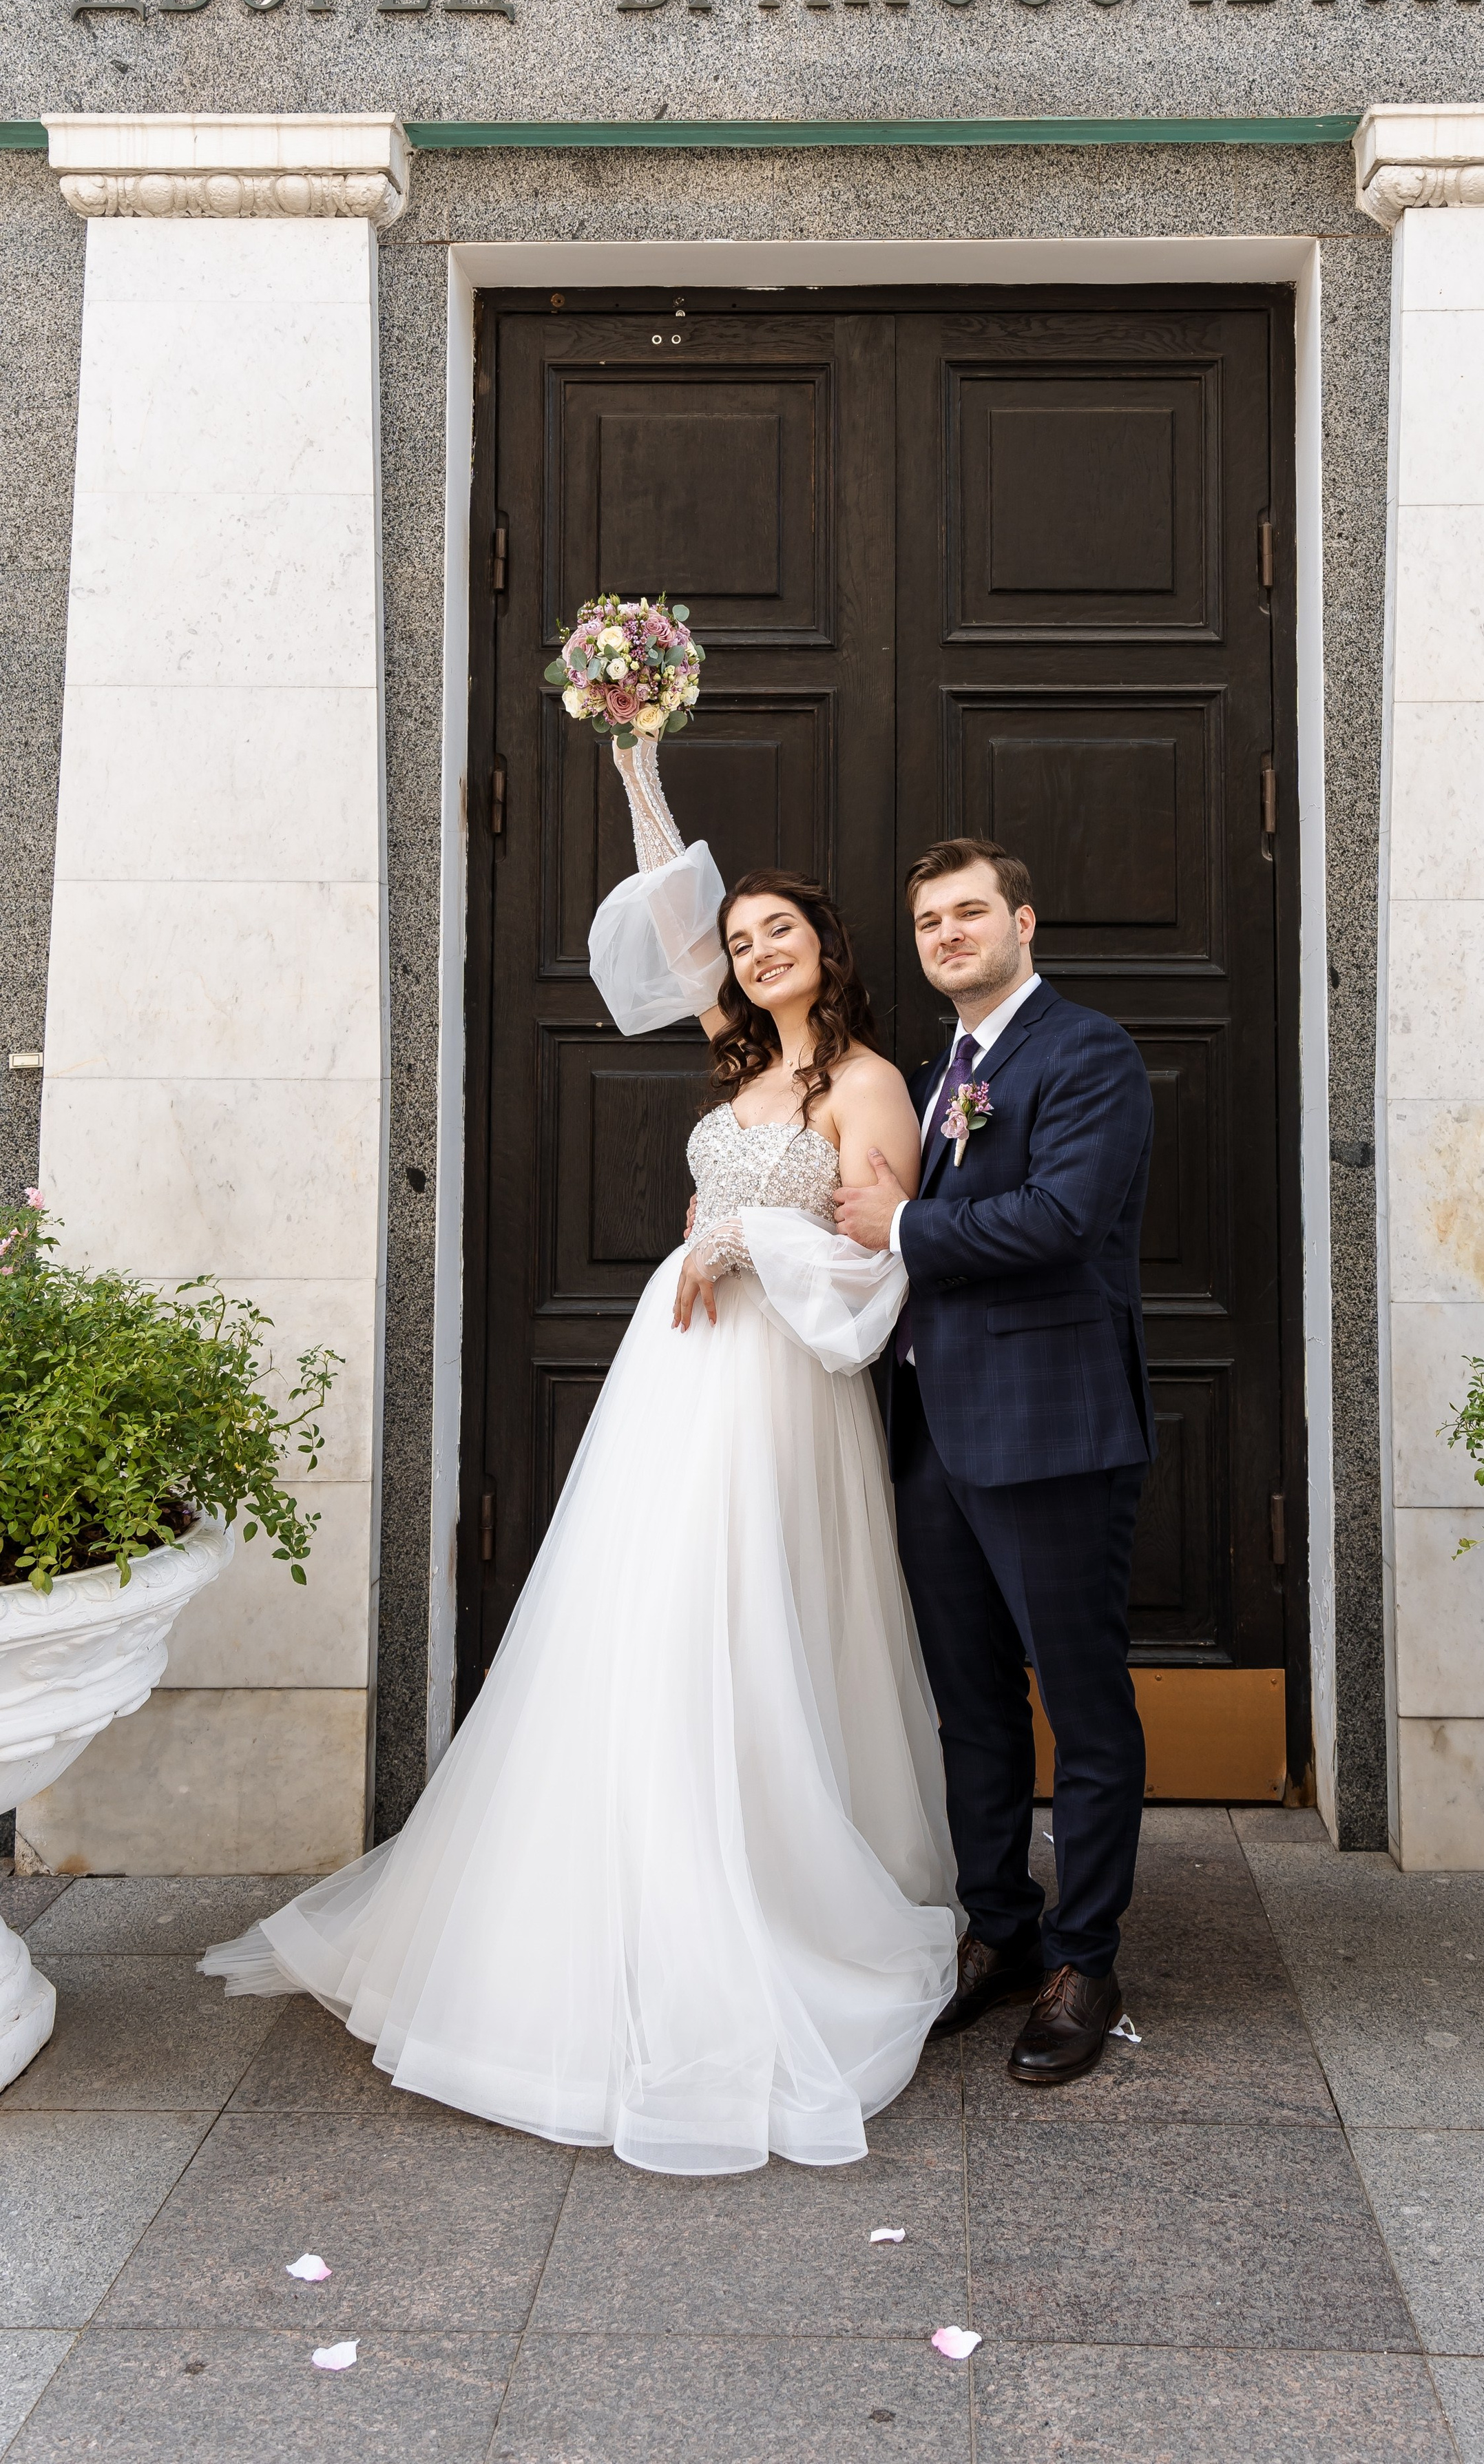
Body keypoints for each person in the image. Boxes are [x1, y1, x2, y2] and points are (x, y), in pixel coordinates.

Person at [202, 752, 957, 2177]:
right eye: (741, 941)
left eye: (776, 932)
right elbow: (671, 921)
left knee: (744, 1620)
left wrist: (754, 1236)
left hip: (780, 1390)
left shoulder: (864, 1082)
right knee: (637, 1615)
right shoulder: (740, 1056)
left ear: (827, 947)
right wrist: (637, 765)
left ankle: (765, 1884)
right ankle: (611, 1873)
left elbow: (882, 1252)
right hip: (673, 1379)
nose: (750, 950)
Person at [835, 838, 1155, 2089]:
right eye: (928, 921)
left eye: (971, 912)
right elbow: (868, 1224)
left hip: (1053, 1431)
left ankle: (1087, 1956)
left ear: (1025, 920)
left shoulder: (1088, 1054)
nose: (949, 934)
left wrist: (907, 1224)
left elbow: (1064, 1220)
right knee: (967, 1702)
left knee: (1082, 1707)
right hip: (933, 1438)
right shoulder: (930, 1076)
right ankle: (1001, 1930)